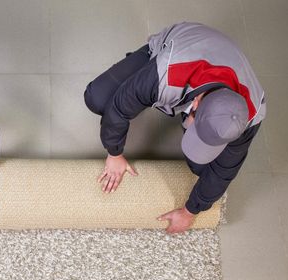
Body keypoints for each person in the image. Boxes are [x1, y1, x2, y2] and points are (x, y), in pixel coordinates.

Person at [84, 22, 266, 233]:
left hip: (220, 63)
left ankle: (174, 108)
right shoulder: (167, 74)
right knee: (97, 98)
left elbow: (225, 171)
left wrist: (191, 211)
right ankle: (141, 68)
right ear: (196, 104)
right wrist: (114, 154)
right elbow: (119, 107)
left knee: (203, 169)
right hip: (174, 48)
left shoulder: (249, 116)